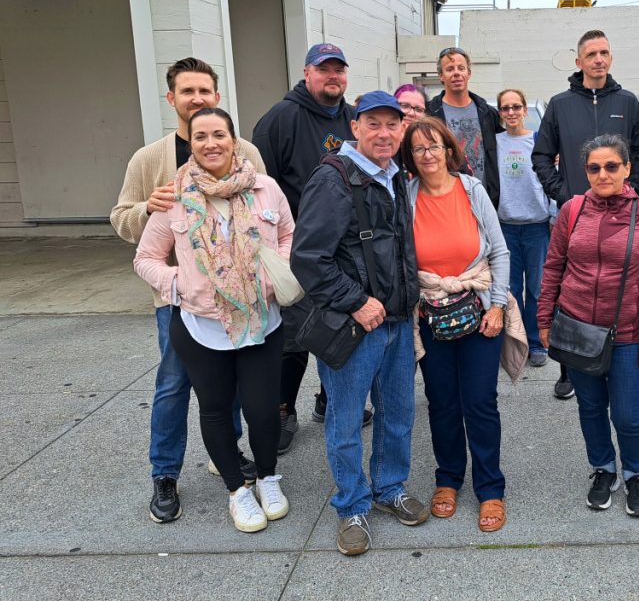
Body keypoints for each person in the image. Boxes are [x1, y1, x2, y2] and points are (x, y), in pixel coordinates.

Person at [110, 57, 265, 524]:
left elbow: (267, 207)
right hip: (180, 299)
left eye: (204, 91)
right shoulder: (149, 159)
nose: (196, 99)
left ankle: (227, 456)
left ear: (217, 97)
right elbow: (120, 219)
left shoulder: (245, 153)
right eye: (186, 91)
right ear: (171, 98)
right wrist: (144, 209)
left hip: (237, 295)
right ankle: (165, 474)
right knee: (175, 384)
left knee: (231, 383)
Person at [133, 108, 291, 534]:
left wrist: (280, 269)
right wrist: (178, 283)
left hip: (262, 321)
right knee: (216, 409)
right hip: (201, 326)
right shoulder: (174, 197)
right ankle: (238, 490)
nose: (210, 143)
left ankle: (268, 477)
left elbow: (290, 235)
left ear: (234, 140)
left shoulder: (265, 188)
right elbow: (145, 258)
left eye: (219, 134)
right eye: (200, 136)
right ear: (192, 143)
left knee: (261, 411)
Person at [290, 91, 427, 557]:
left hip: (397, 322)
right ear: (355, 127)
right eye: (374, 124)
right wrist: (357, 301)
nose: (384, 133)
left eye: (393, 124)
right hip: (357, 325)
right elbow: (308, 259)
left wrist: (409, 301)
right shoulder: (333, 180)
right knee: (346, 421)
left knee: (398, 414)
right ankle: (351, 505)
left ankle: (390, 489)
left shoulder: (393, 175)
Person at [537, 134, 639, 517]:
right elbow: (553, 266)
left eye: (612, 166)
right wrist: (545, 319)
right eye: (594, 168)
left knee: (627, 413)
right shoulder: (573, 210)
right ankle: (603, 469)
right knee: (591, 408)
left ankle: (634, 474)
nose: (603, 174)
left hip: (628, 333)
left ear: (627, 169)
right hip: (578, 328)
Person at [252, 42, 364, 455]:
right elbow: (260, 187)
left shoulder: (354, 119)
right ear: (307, 73)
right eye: (324, 69)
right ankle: (283, 409)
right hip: (297, 249)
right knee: (295, 335)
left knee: (338, 326)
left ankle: (327, 398)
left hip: (348, 249)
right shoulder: (281, 119)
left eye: (339, 70)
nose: (333, 76)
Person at [402, 117, 511, 533]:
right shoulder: (406, 194)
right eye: (417, 149)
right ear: (409, 158)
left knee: (480, 402)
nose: (427, 155)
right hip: (429, 312)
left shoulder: (472, 190)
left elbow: (499, 252)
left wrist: (497, 305)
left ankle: (490, 488)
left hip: (478, 308)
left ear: (449, 150)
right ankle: (448, 479)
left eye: (434, 147)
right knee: (442, 402)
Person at [532, 30, 639, 400]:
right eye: (591, 54)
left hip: (621, 217)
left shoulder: (627, 102)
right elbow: (540, 156)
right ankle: (570, 367)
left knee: (617, 287)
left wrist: (630, 190)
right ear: (579, 61)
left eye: (604, 53)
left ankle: (616, 358)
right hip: (575, 216)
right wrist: (565, 195)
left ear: (610, 58)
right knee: (572, 289)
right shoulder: (560, 104)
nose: (599, 60)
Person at [495, 89, 552, 367]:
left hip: (537, 225)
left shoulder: (539, 141)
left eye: (516, 107)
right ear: (500, 113)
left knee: (538, 289)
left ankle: (536, 341)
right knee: (511, 287)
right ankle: (516, 340)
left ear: (525, 110)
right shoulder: (494, 143)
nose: (511, 113)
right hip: (505, 226)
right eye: (505, 108)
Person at [426, 47, 504, 207]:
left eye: (461, 68)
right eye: (449, 69)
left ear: (469, 73)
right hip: (445, 198)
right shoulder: (430, 113)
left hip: (484, 198)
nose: (456, 73)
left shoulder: (487, 112)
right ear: (441, 76)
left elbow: (508, 142)